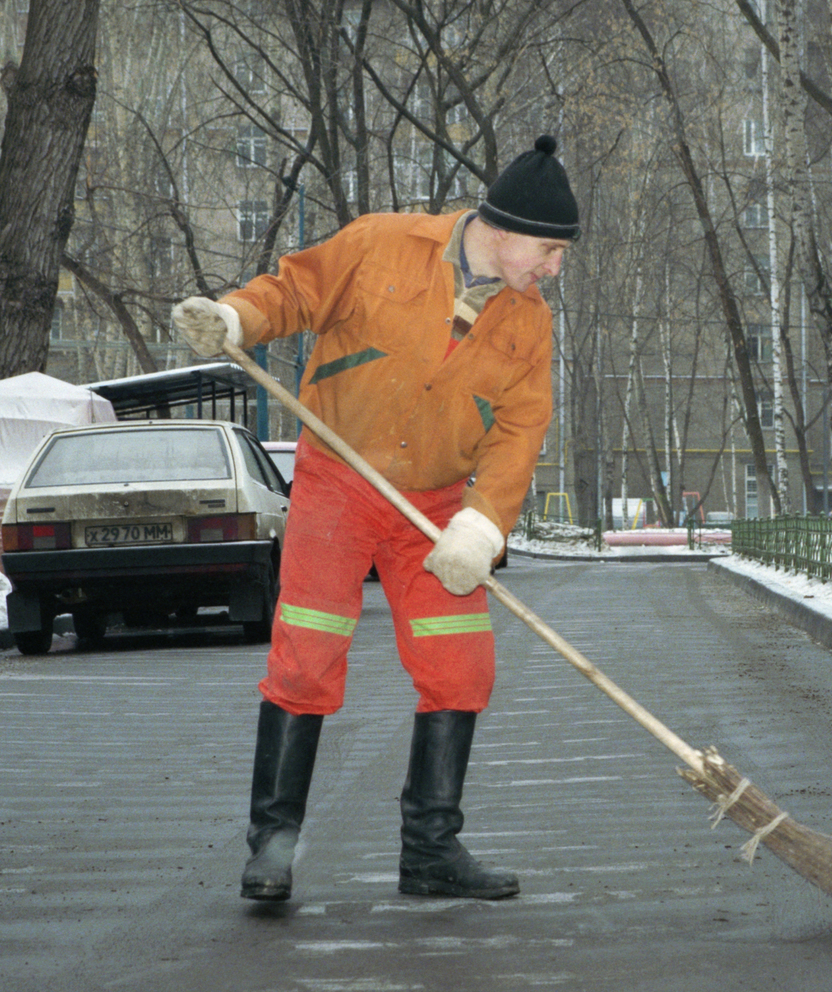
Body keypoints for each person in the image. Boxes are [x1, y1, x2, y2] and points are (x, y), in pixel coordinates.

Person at [171, 135, 579, 903]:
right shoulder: (382, 244)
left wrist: (481, 527)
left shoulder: (528, 323)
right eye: (550, 252)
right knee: (306, 658)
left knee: (461, 667)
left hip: (435, 507)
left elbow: (519, 433)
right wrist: (234, 318)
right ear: (505, 228)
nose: (554, 269)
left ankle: (430, 852)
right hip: (338, 481)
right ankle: (273, 847)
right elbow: (294, 292)